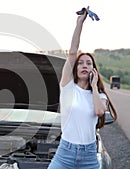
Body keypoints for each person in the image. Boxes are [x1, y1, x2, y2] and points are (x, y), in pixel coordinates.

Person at [48, 8, 118, 169]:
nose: (84, 65)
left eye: (88, 63)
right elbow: (72, 53)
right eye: (81, 63)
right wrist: (79, 23)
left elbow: (100, 112)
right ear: (75, 68)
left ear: (93, 69)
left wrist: (94, 87)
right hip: (65, 153)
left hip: (89, 156)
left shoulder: (100, 95)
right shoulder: (67, 86)